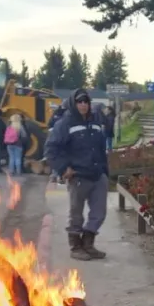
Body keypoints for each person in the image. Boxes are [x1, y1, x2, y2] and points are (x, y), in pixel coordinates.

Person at [45, 89, 109, 261]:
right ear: (74, 103)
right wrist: (63, 169)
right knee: (76, 215)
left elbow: (101, 148)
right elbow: (51, 149)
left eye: (86, 101)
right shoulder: (65, 123)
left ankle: (88, 244)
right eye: (80, 102)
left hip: (97, 175)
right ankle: (76, 247)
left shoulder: (95, 122)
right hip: (78, 176)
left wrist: (105, 171)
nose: (83, 105)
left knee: (99, 213)